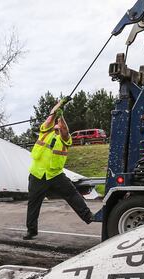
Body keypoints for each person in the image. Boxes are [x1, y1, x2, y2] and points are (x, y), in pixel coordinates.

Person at [24, 98, 93, 240]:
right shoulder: (44, 132)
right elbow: (50, 117)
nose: (57, 129)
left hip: (55, 174)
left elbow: (65, 130)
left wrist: (61, 116)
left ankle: (88, 216)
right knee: (33, 203)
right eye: (55, 127)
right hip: (37, 174)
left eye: (58, 128)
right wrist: (60, 104)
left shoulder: (65, 139)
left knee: (72, 194)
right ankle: (31, 231)